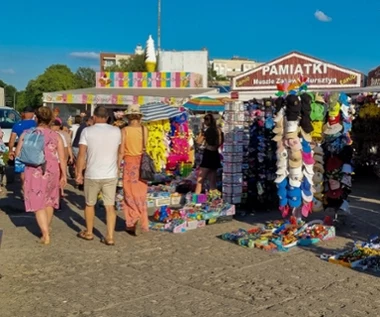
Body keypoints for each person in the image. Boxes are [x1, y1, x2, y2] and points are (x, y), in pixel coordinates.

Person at [15, 107, 67, 245]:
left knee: (37, 202)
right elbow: (62, 158)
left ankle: (45, 234)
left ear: (36, 118)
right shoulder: (56, 136)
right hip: (52, 170)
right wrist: (64, 176)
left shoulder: (26, 133)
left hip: (34, 170)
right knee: (49, 200)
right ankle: (46, 229)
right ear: (50, 119)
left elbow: (19, 153)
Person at [76, 106, 121, 246]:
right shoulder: (116, 131)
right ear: (107, 117)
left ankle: (89, 232)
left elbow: (82, 154)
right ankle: (110, 236)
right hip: (110, 173)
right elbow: (119, 152)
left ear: (94, 116)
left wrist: (78, 173)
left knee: (90, 204)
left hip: (92, 173)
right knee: (110, 206)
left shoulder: (87, 131)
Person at [119, 104, 149, 235]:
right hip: (142, 163)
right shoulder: (144, 129)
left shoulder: (124, 130)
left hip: (129, 163)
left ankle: (132, 219)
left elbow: (121, 151)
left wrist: (116, 165)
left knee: (128, 192)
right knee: (141, 193)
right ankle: (140, 216)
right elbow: (146, 146)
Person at [8, 106, 37, 192]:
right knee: (34, 171)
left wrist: (10, 151)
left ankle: (25, 191)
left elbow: (11, 141)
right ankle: (33, 190)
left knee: (23, 172)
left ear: (23, 114)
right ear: (32, 114)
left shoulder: (17, 125)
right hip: (35, 151)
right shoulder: (37, 124)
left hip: (20, 151)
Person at [195, 114, 222, 194]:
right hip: (215, 154)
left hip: (208, 154)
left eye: (205, 120)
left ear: (208, 121)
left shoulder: (208, 131)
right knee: (212, 181)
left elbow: (198, 142)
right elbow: (220, 142)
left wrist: (201, 132)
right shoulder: (219, 130)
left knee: (200, 180)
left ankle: (195, 201)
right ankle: (213, 199)